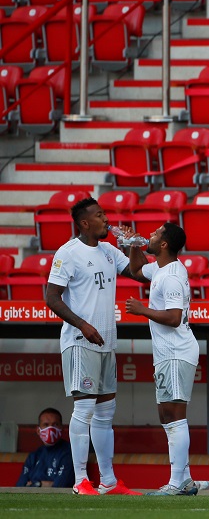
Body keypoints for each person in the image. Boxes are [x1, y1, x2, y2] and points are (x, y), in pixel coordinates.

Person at [45, 197, 142, 495]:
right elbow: (51, 297)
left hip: (106, 342)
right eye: (100, 216)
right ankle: (79, 481)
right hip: (80, 341)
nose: (106, 220)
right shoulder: (68, 253)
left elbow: (139, 273)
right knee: (84, 409)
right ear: (85, 223)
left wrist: (133, 243)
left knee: (105, 413)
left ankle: (108, 481)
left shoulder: (110, 250)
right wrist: (82, 325)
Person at [125, 223, 209, 495]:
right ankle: (184, 479)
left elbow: (175, 318)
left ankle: (176, 482)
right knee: (166, 414)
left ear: (164, 244)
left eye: (155, 234)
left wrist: (143, 310)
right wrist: (133, 244)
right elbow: (137, 270)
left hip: (176, 351)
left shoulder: (172, 276)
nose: (150, 235)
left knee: (174, 414)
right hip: (167, 353)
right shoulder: (161, 269)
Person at [16, 408, 73, 488]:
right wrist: (42, 484)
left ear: (62, 428)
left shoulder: (69, 453)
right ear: (38, 430)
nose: (50, 429)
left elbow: (60, 486)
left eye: (55, 424)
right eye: (46, 425)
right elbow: (20, 486)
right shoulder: (34, 456)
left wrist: (34, 484)